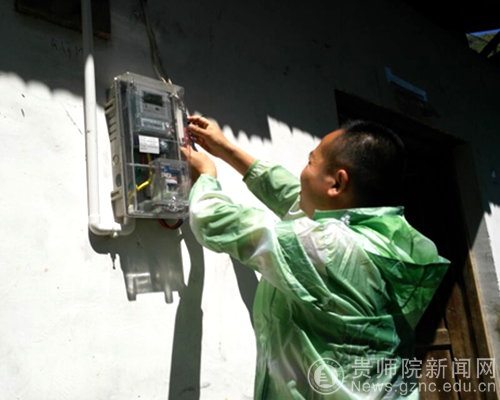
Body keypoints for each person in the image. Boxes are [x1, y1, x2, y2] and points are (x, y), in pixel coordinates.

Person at [182, 116, 450, 400]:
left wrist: (207, 174)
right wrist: (226, 149)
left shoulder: (331, 249)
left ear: (337, 183)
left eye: (310, 162)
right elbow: (295, 198)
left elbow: (214, 220)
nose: (303, 172)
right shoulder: (385, 239)